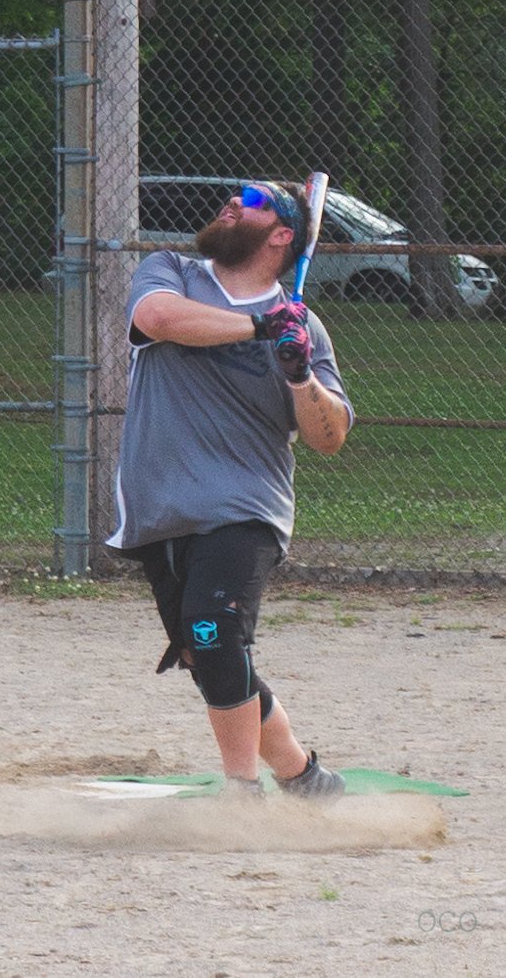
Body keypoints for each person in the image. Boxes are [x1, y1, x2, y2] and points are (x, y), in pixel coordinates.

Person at [106, 180, 354, 799]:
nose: (233, 201)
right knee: (206, 656)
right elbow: (158, 319)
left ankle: (240, 795)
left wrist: (300, 377)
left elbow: (330, 434)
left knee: (215, 631)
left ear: (281, 235)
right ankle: (304, 777)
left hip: (245, 507)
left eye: (254, 199)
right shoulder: (173, 272)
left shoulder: (305, 328)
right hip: (160, 507)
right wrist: (259, 326)